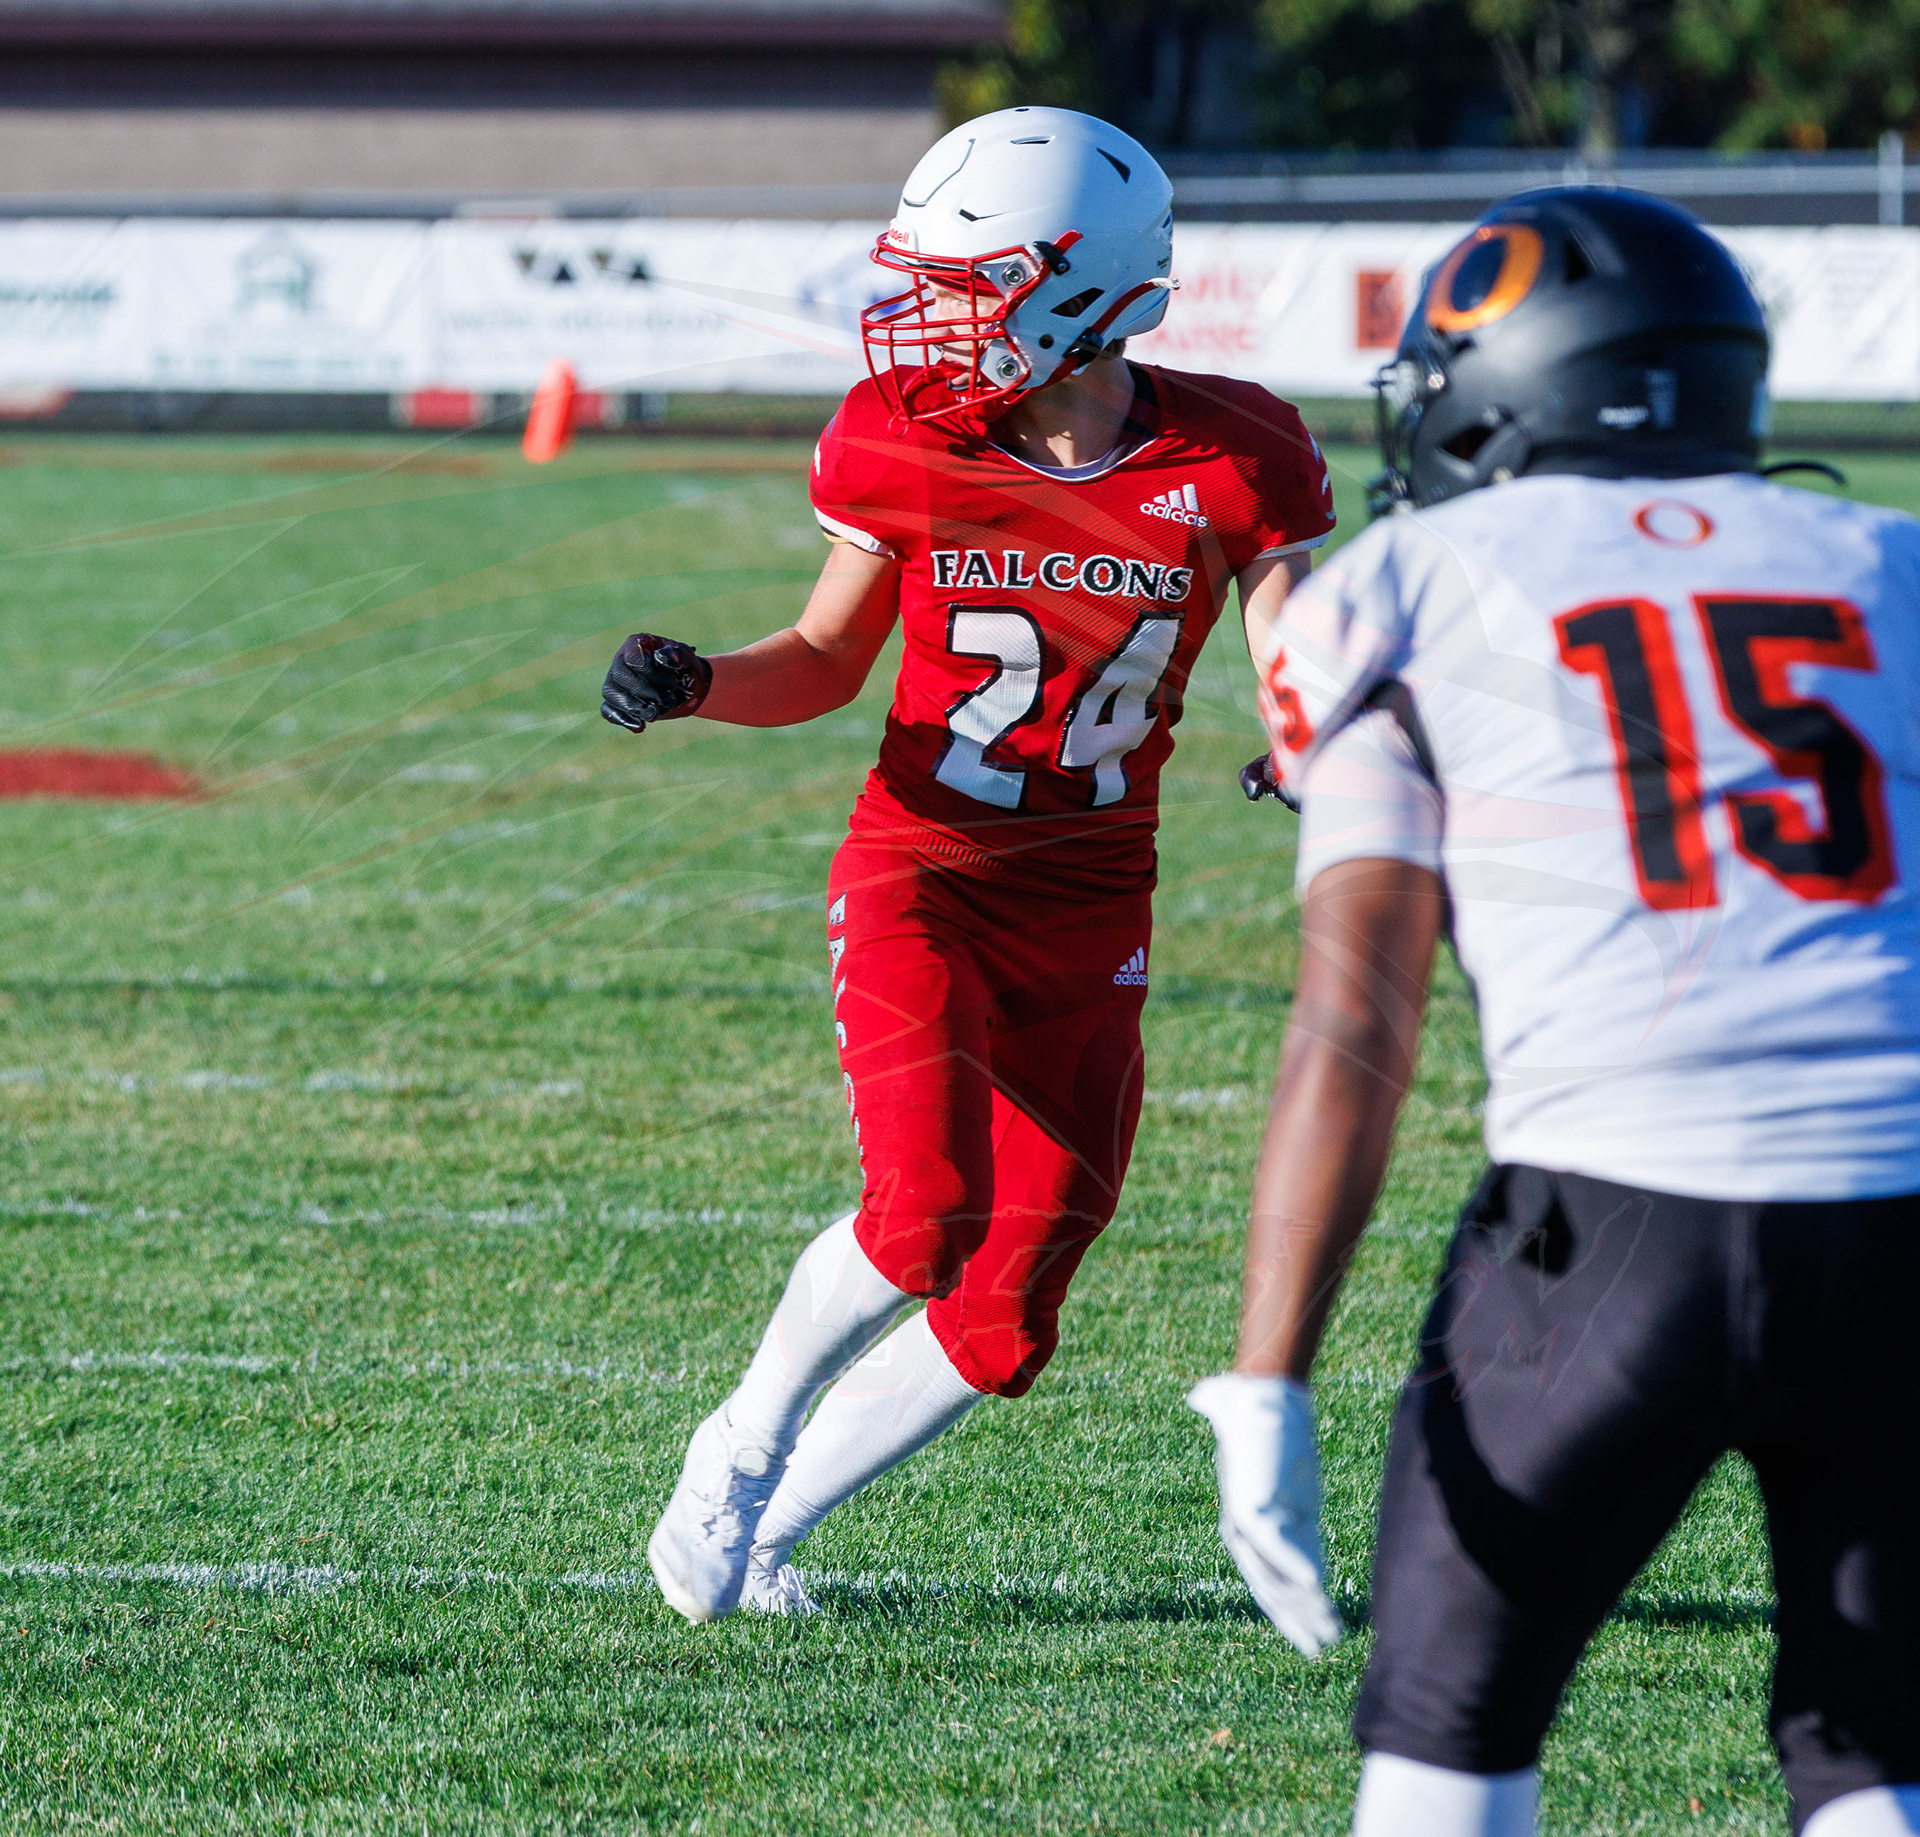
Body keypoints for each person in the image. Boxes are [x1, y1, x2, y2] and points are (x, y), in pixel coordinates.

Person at [1188, 187, 1920, 1837]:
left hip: (1606, 1227)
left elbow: (1356, 1017)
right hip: (1897, 1212)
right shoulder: (1893, 563)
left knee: (1447, 1739)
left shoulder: (1405, 582)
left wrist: (1266, 1375)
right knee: (1872, 1753)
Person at [601, 106, 1336, 1622]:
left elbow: (1299, 671)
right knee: (922, 1211)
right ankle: (739, 1448)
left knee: (1008, 1317)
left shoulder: (1235, 450)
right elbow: (825, 658)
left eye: (968, 280)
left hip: (1095, 897)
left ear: (1078, 285)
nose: (931, 312)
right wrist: (701, 683)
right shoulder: (905, 432)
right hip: (924, 865)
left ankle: (767, 1535)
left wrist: (1320, 751)